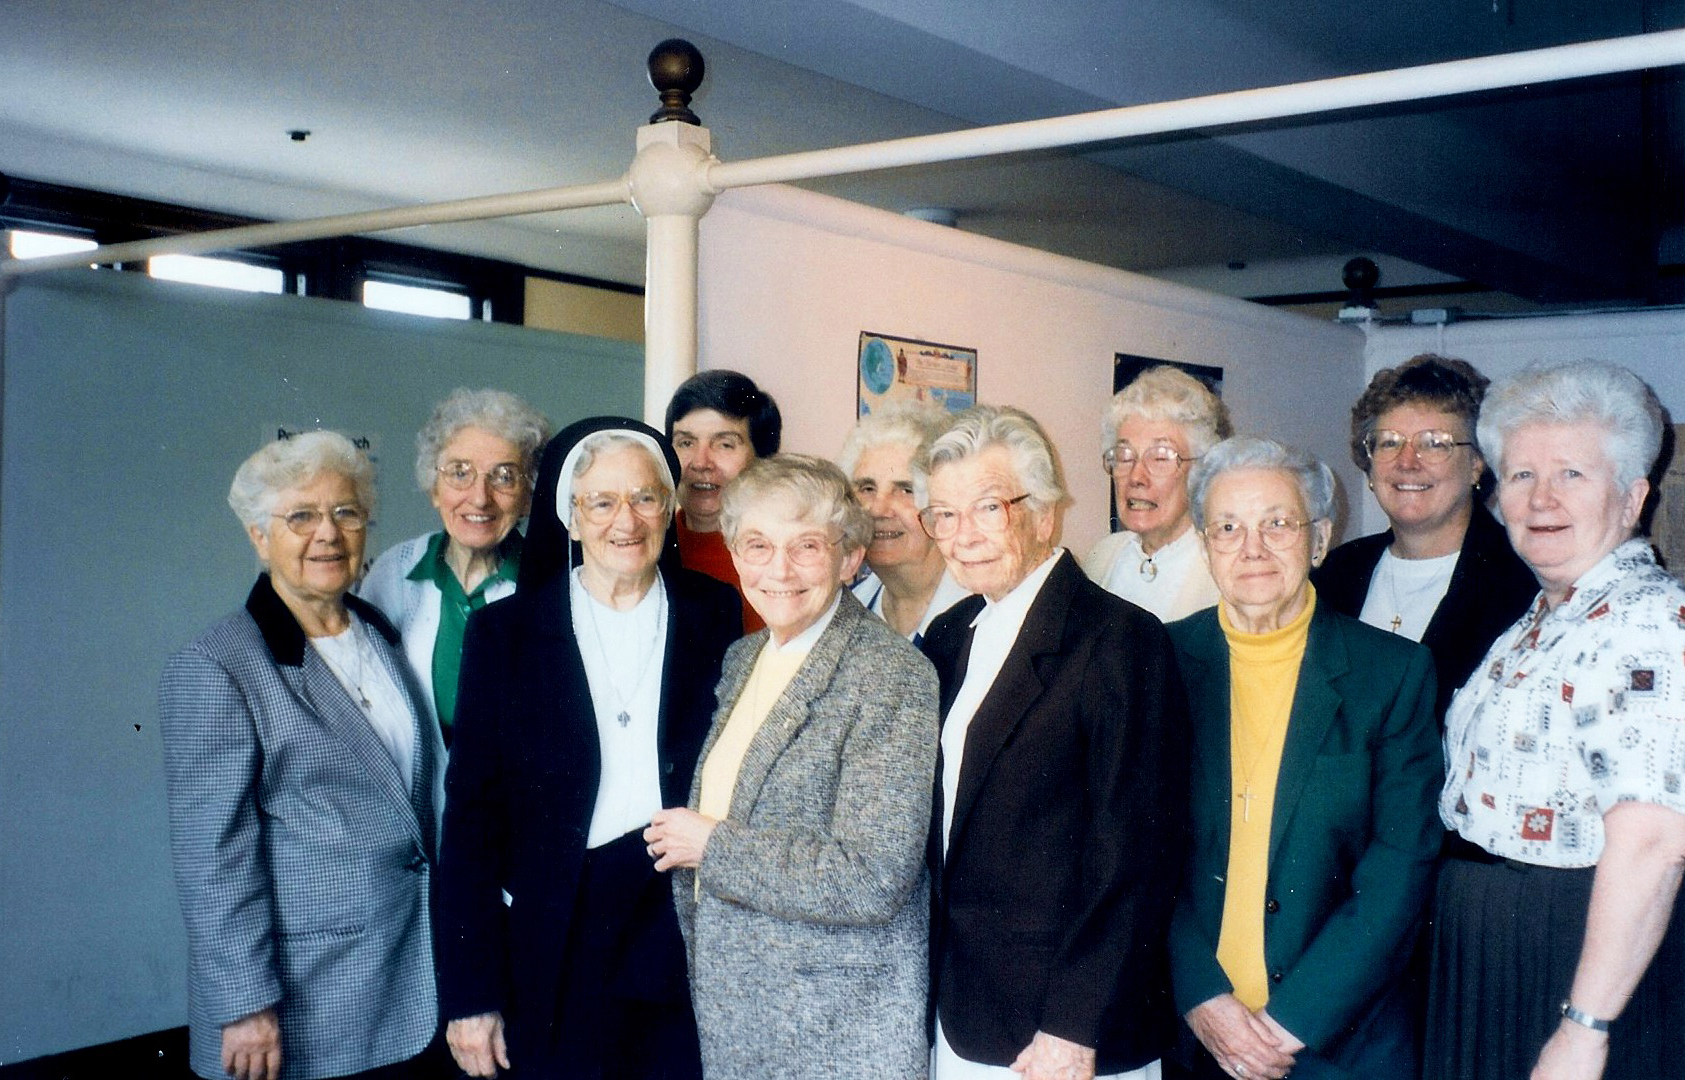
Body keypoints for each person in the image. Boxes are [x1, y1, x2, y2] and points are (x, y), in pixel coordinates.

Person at [434, 418, 741, 1080]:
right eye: (601, 502)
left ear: (670, 509)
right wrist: (470, 996)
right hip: (558, 931)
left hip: (679, 924)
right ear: (569, 518)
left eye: (645, 498)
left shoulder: (715, 612)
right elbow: (469, 826)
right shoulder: (505, 634)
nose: (624, 520)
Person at [159, 431, 446, 1080]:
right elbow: (212, 858)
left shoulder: (376, 632)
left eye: (345, 512)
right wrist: (244, 1005)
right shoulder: (217, 667)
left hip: (404, 969)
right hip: (303, 996)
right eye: (301, 516)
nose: (328, 534)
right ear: (259, 537)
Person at [1428, 361, 1685, 1080]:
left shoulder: (1650, 623)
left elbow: (1654, 844)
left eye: (1571, 474)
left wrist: (1584, 1028)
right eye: (1519, 475)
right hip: (1491, 948)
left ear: (1632, 497)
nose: (1540, 498)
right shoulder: (1542, 617)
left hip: (1573, 959)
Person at [643, 454, 938, 1078]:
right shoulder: (743, 658)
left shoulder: (890, 675)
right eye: (757, 545)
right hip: (740, 1018)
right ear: (735, 552)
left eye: (806, 546)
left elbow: (873, 876)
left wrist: (713, 846)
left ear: (849, 558)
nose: (778, 569)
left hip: (836, 1031)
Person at [917, 404, 1188, 1080]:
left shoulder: (1118, 640)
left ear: (1043, 512)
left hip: (1063, 1035)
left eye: (986, 508)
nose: (962, 535)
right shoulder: (952, 633)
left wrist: (1073, 1026)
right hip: (961, 1013)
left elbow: (1134, 856)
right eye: (943, 515)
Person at [1164, 436, 1442, 1080]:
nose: (1251, 548)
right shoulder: (1160, 663)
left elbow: (1400, 867)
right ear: (1204, 544)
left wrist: (1291, 1024)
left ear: (1318, 539)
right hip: (1197, 1039)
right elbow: (1137, 853)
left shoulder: (1392, 674)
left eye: (1277, 524)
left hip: (1338, 1044)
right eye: (1227, 527)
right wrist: (1202, 997)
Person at [1313, 354, 1537, 721]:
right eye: (1389, 442)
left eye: (1434, 443)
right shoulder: (1333, 574)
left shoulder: (1520, 584)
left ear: (1477, 464)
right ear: (1369, 464)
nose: (1407, 461)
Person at [359, 388, 550, 745]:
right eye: (459, 473)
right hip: (410, 797)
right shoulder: (393, 573)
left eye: (504, 476)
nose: (479, 497)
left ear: (528, 496)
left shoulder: (550, 586)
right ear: (434, 487)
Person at [1083, 366, 1230, 622]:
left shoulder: (1224, 574)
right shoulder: (1101, 557)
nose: (1137, 477)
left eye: (1161, 457)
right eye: (1124, 456)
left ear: (1199, 471)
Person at [839, 401, 971, 643]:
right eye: (867, 488)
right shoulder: (843, 614)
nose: (878, 509)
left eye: (905, 490)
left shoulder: (982, 615)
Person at [664, 368, 782, 633]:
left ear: (763, 460)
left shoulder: (784, 559)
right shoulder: (648, 545)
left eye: (725, 444)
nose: (701, 462)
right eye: (685, 443)